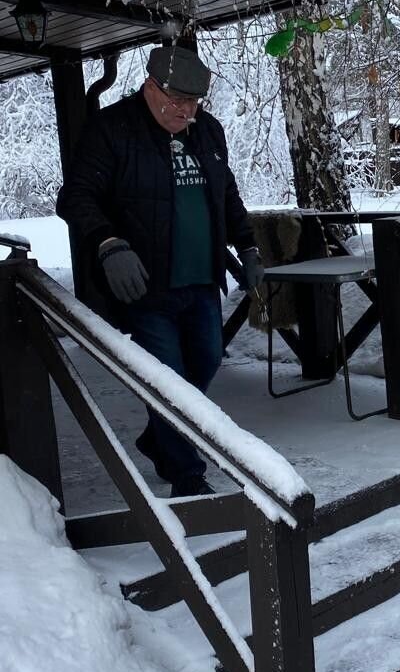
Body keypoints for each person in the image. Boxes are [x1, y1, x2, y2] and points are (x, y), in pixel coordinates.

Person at [57, 45, 264, 498]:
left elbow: (225, 194)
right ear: (151, 87)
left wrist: (247, 245)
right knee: (169, 380)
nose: (186, 111)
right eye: (178, 100)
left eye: (194, 102)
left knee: (205, 364)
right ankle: (186, 476)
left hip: (201, 281)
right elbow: (76, 197)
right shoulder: (112, 130)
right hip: (146, 286)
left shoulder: (208, 131)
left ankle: (159, 439)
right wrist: (109, 244)